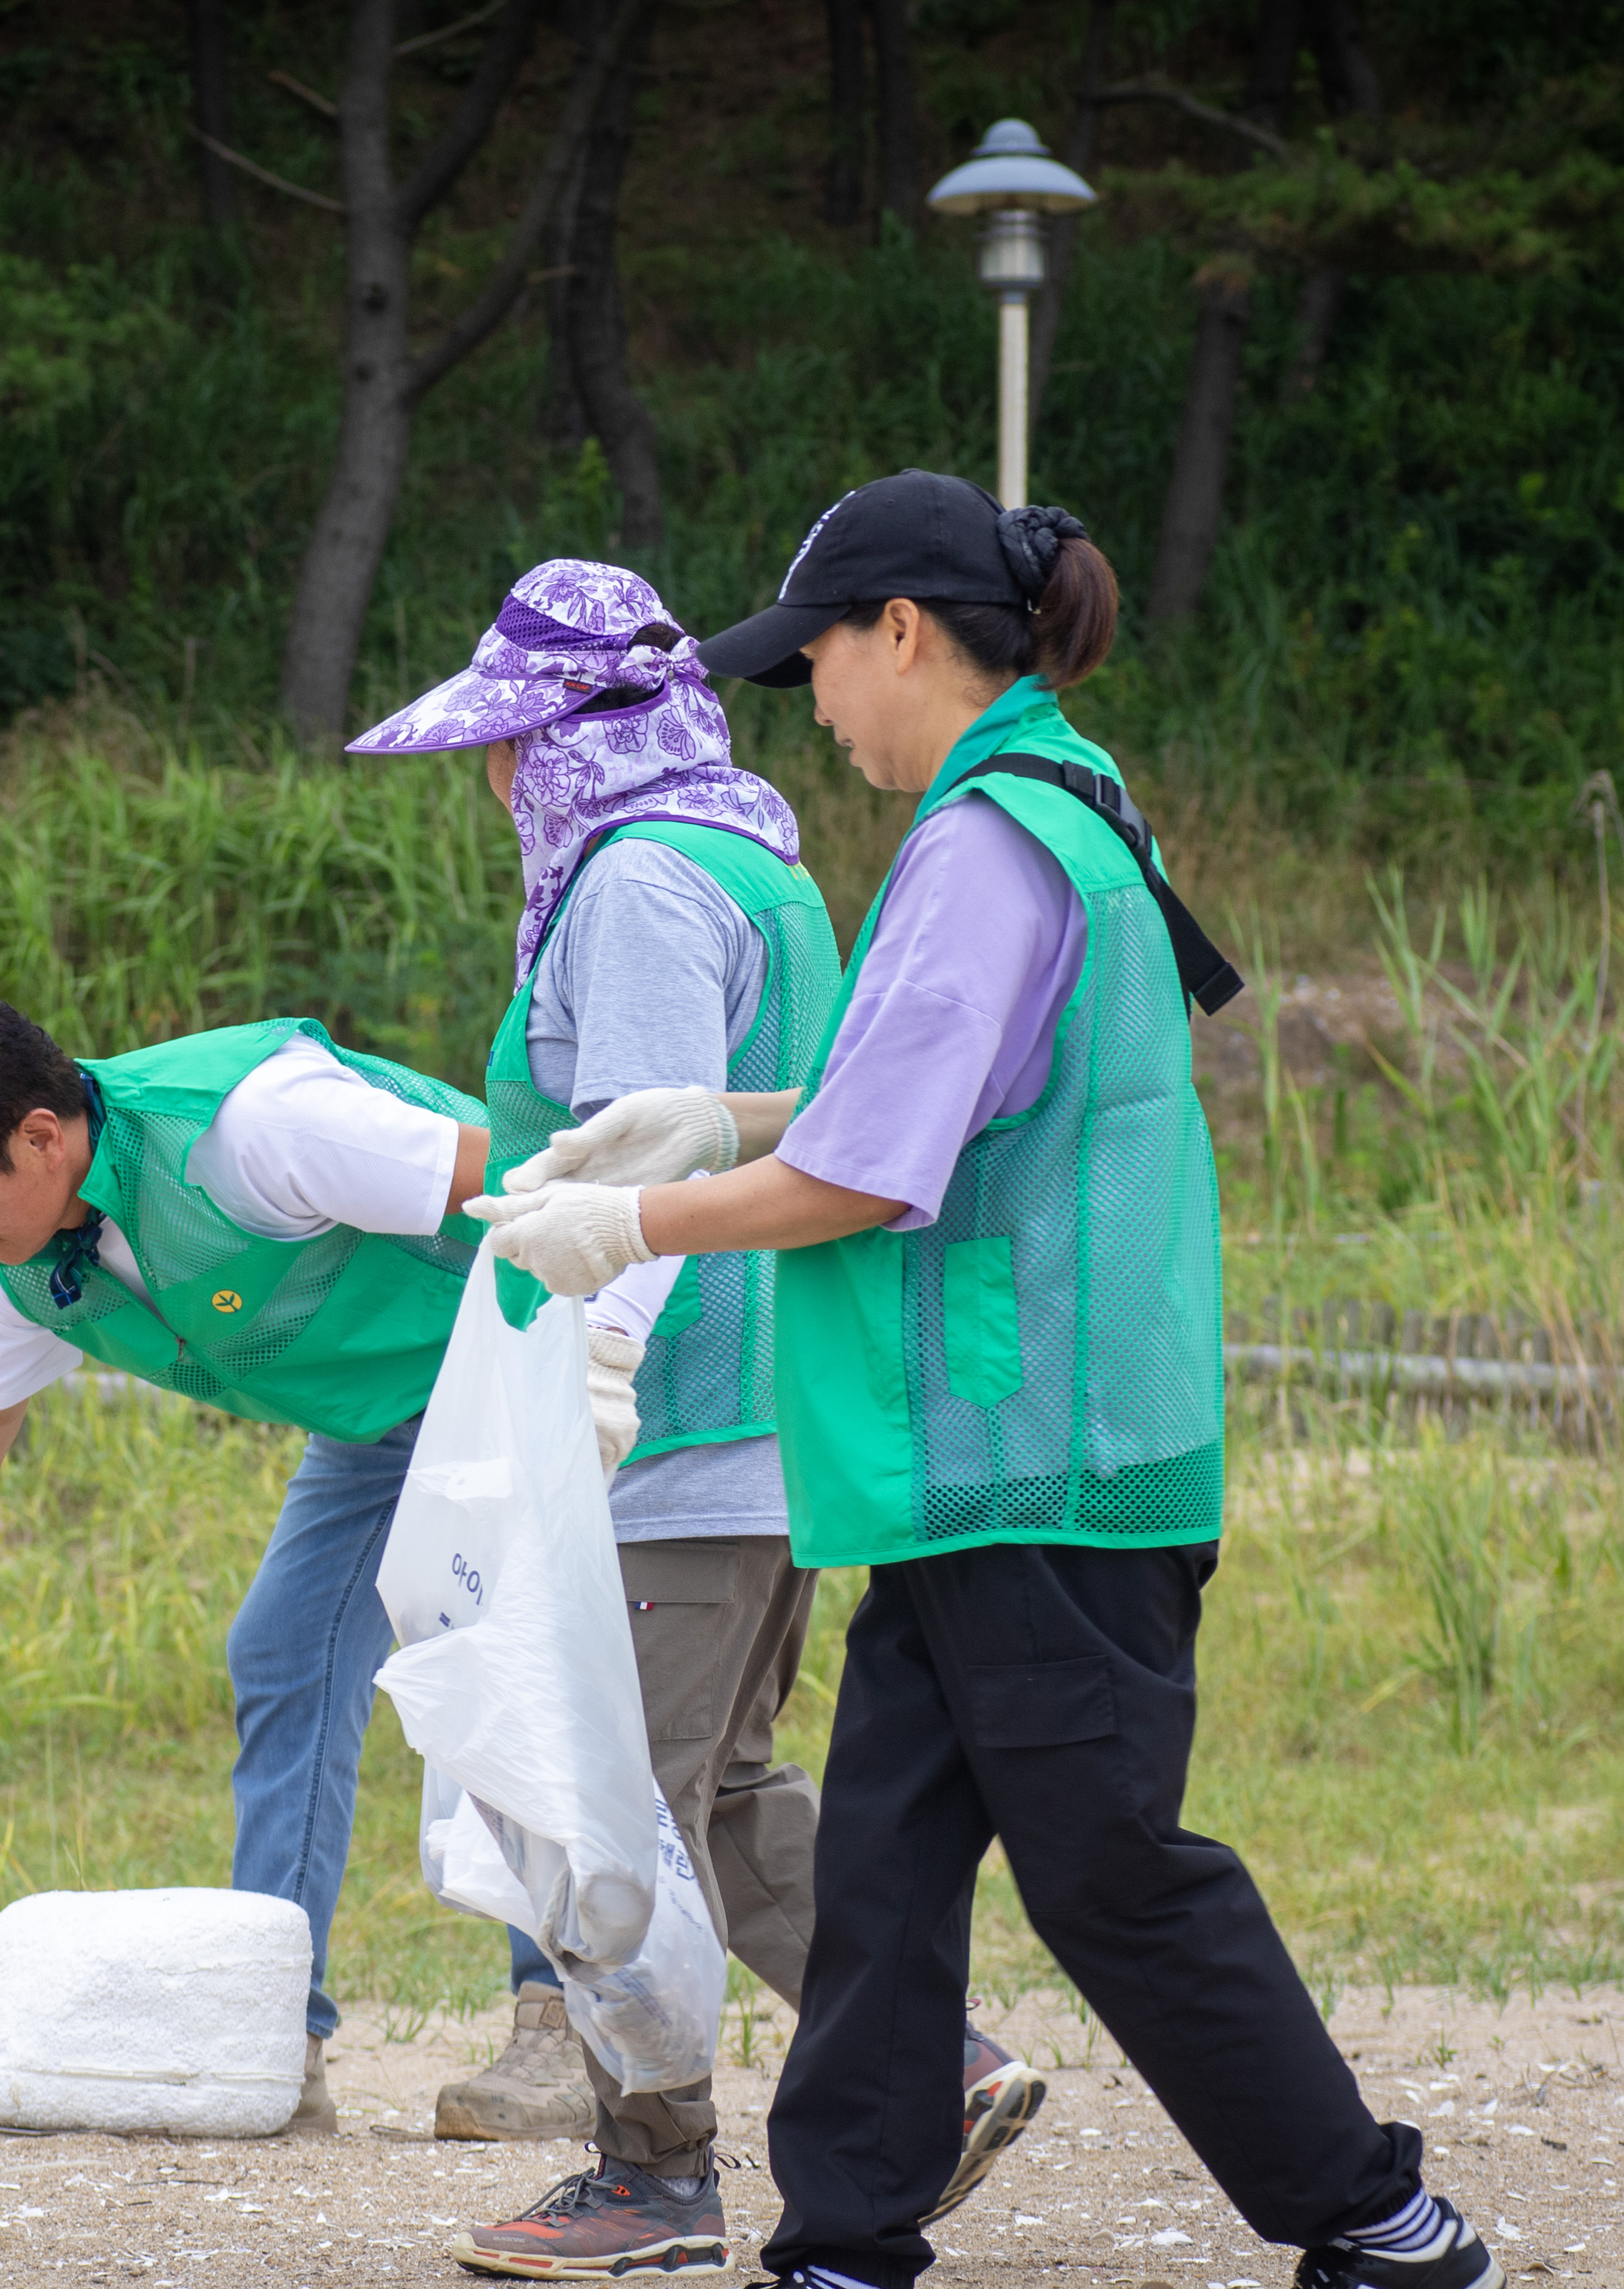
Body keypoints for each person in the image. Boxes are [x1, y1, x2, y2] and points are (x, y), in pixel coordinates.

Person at [470, 470, 1501, 2289]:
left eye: (814, 659)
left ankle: (1380, 2217)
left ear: (901, 632)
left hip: (1040, 1461)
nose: (804, 698)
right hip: (958, 1466)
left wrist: (634, 1222)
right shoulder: (1037, 804)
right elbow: (891, 1103)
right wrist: (711, 1115)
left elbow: (875, 1173)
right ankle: (846, 2238)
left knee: (1113, 1877)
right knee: (875, 1865)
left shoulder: (985, 843)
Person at [343, 561, 1040, 2277]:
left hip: (674, 1422)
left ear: (570, 741)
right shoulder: (747, 853)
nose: (491, 779)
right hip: (759, 1413)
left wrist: (596, 1378)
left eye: (506, 743)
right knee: (719, 1792)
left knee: (608, 1807)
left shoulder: (643, 882)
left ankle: (653, 2172)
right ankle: (931, 2060)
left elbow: (640, 1162)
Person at [0, 996, 498, 2135]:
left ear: (36, 1136)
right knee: (283, 1649)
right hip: (378, 1414)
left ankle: (565, 2032)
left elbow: (531, 1181)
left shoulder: (254, 1126)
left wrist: (613, 1359)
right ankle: (277, 2031)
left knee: (499, 1662)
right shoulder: (25, 1269)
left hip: (526, 1357)